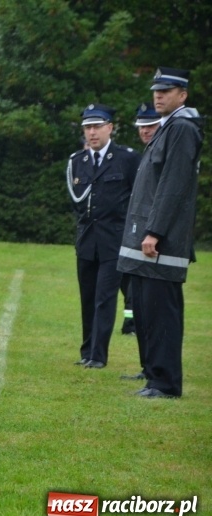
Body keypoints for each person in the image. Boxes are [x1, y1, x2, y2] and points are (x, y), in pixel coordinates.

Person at [117, 67, 204, 399]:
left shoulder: (182, 128)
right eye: (156, 90)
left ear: (182, 95)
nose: (158, 96)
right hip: (148, 237)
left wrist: (154, 231)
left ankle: (165, 384)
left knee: (161, 313)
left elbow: (172, 186)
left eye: (166, 91)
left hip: (161, 240)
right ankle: (153, 375)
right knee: (146, 310)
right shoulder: (170, 126)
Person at [66, 104, 140, 369]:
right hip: (87, 240)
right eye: (88, 127)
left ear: (110, 128)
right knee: (87, 298)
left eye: (97, 126)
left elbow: (138, 197)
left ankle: (98, 356)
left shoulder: (127, 159)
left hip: (114, 240)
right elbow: (77, 202)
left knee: (104, 298)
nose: (92, 132)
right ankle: (87, 351)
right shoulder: (77, 161)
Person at [118, 102, 163, 341]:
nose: (145, 130)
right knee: (131, 280)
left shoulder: (160, 155)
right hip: (136, 229)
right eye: (142, 126)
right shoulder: (147, 153)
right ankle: (133, 322)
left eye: (151, 125)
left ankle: (136, 324)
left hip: (153, 232)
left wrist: (154, 230)